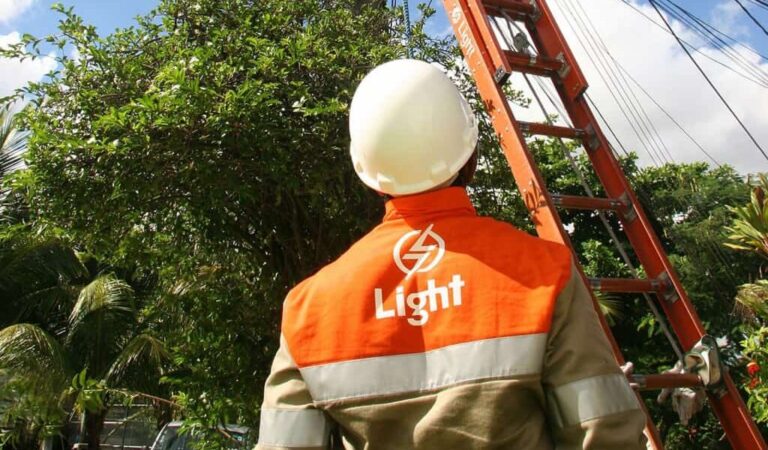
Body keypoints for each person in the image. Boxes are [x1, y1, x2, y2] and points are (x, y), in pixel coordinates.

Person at [256, 59, 647, 449]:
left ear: (370, 176)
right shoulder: (544, 273)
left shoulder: (307, 310)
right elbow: (603, 434)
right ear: (471, 154)